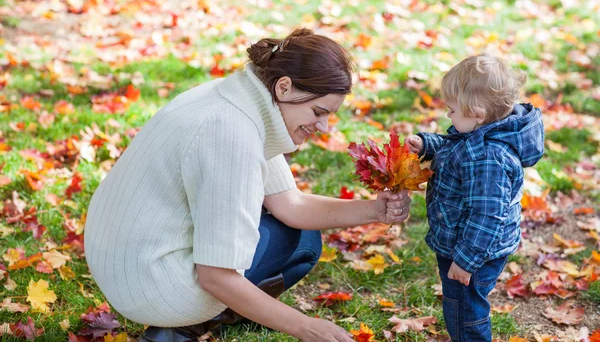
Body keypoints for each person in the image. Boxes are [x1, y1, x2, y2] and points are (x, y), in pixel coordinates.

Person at [84, 28, 411, 342]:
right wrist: (305, 327)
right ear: (284, 87)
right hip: (154, 287)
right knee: (300, 244)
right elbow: (216, 277)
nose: (324, 127)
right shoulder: (232, 135)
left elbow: (290, 206)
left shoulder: (236, 97)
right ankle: (182, 327)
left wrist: (374, 210)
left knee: (298, 231)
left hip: (121, 264)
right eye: (318, 111)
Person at [405, 54, 544, 341]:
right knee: (459, 304)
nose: (448, 116)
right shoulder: (478, 134)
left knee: (465, 313)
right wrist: (426, 145)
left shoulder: (488, 159)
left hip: (471, 252)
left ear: (478, 114)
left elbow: (488, 217)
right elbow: (453, 145)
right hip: (463, 244)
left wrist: (466, 261)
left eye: (452, 110)